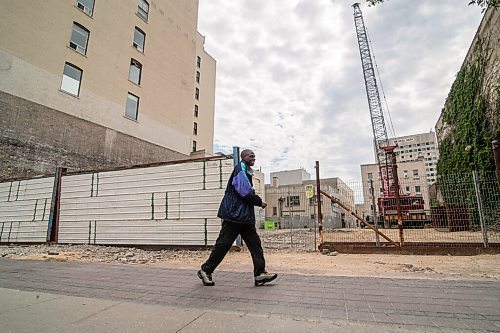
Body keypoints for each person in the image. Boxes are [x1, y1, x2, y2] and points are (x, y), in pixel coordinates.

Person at [198, 149, 278, 287]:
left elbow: (246, 191)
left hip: (244, 217)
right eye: (250, 156)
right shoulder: (240, 168)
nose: (253, 158)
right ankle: (206, 270)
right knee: (223, 245)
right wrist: (259, 201)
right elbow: (244, 190)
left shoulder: (247, 170)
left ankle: (259, 274)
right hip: (234, 215)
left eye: (254, 156)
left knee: (255, 244)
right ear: (243, 157)